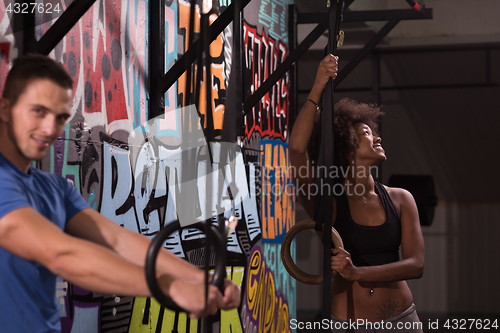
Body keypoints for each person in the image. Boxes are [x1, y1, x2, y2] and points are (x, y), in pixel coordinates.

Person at [0, 54, 240, 333]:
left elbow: (116, 240)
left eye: (60, 117)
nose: (50, 129)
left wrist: (203, 280)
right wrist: (168, 286)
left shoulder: (53, 188)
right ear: (5, 109)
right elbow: (61, 255)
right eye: (38, 112)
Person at [289, 54, 425, 332]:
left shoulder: (400, 198)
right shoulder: (327, 199)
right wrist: (318, 86)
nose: (377, 137)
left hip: (401, 321)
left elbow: (416, 265)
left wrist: (357, 272)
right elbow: (296, 150)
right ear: (347, 146)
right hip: (347, 322)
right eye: (367, 132)